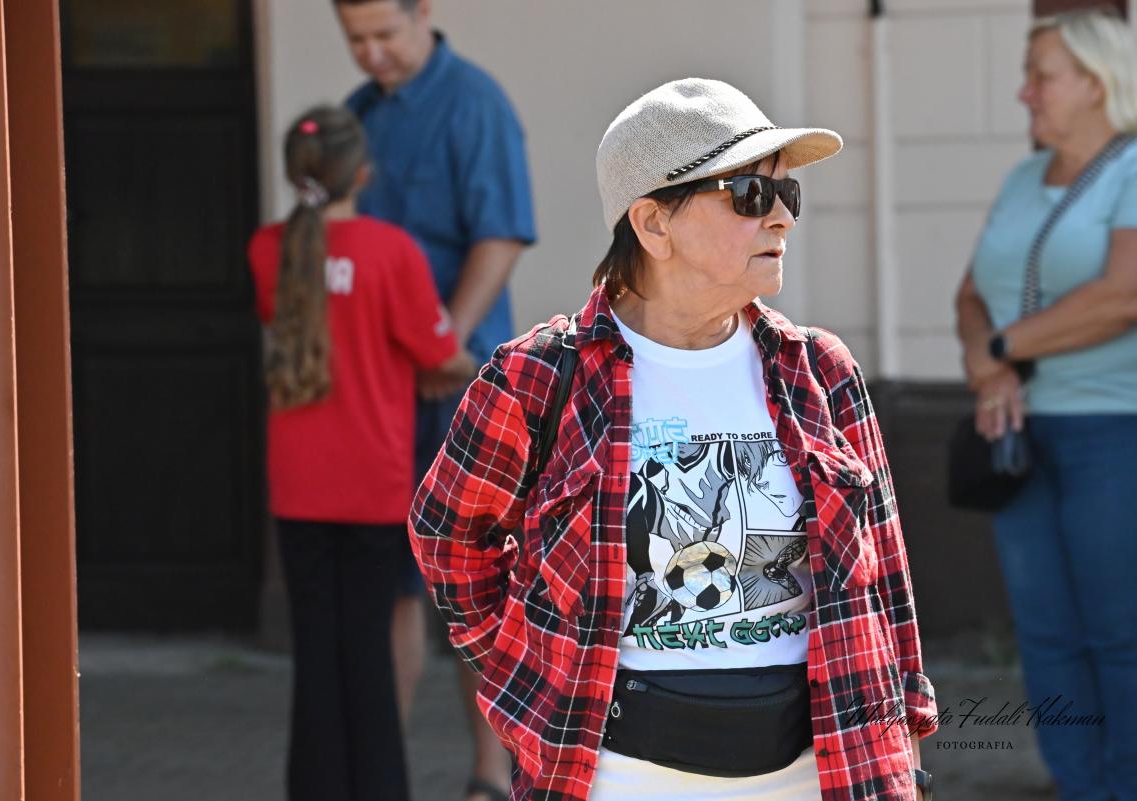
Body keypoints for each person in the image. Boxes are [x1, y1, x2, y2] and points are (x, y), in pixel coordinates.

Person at [411, 78, 938, 801]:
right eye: (750, 193)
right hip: (615, 777)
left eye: (788, 194)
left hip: (818, 773)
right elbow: (446, 536)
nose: (782, 217)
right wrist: (526, 671)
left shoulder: (819, 370)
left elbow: (887, 581)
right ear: (653, 224)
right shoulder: (536, 379)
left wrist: (906, 749)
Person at [332, 2, 537, 799]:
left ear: (423, 12)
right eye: (356, 40)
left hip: (463, 388)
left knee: (476, 588)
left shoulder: (475, 104)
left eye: (384, 34)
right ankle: (379, 774)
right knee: (388, 586)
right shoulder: (357, 114)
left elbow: (501, 237)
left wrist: (441, 342)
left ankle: (492, 777)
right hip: (377, 393)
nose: (371, 54)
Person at [247, 105, 475, 801]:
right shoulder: (390, 251)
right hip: (373, 482)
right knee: (368, 655)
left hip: (298, 484)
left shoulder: (268, 249)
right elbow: (440, 353)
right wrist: (454, 365)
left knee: (314, 655)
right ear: (364, 174)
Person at [955, 9, 1137, 800]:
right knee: (1047, 633)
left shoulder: (1133, 169)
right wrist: (987, 365)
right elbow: (970, 294)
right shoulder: (1022, 180)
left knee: (1121, 633)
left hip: (1115, 431)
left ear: (1097, 83)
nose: (1025, 92)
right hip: (1017, 432)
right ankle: (1078, 784)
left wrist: (1002, 349)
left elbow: (1122, 296)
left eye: (1042, 76)